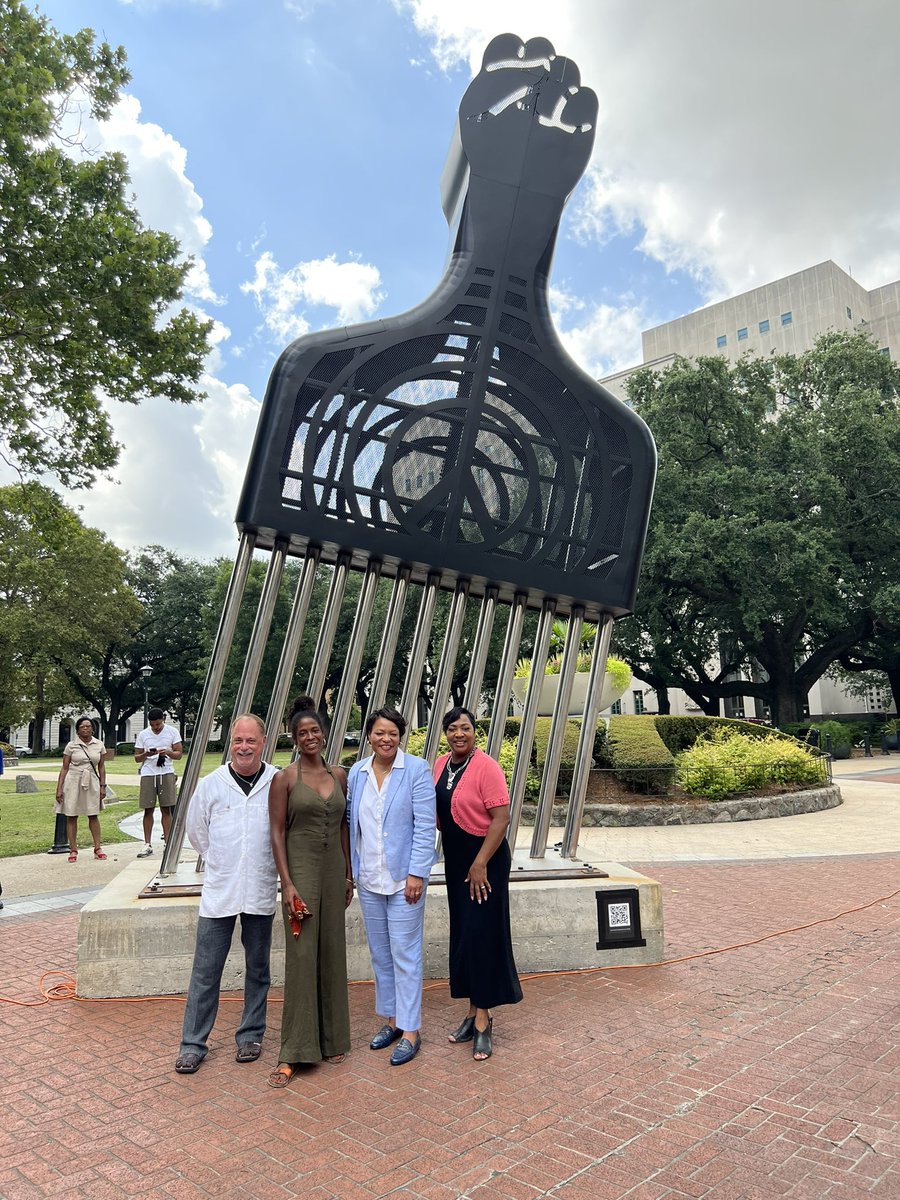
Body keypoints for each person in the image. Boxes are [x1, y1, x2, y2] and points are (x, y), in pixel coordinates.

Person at [175, 714, 279, 1075]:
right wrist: (222, 860)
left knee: (258, 968)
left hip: (260, 890)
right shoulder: (212, 784)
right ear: (229, 743)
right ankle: (192, 1044)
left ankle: (250, 1034)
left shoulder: (276, 781)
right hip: (220, 891)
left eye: (251, 740)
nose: (244, 747)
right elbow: (197, 833)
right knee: (206, 971)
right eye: (238, 740)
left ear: (263, 742)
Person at [266, 696, 353, 1088]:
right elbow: (276, 833)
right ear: (295, 738)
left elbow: (343, 829)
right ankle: (294, 1050)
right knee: (302, 956)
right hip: (300, 873)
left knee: (332, 950)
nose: (310, 737)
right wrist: (287, 883)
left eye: (315, 730)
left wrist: (349, 875)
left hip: (334, 873)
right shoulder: (284, 779)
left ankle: (333, 1037)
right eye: (302, 733)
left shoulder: (340, 775)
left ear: (324, 733)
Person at [347, 707, 437, 1066]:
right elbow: (354, 827)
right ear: (369, 735)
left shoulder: (415, 770)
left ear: (401, 737)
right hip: (370, 880)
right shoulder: (357, 773)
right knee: (381, 956)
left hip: (404, 882)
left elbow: (424, 826)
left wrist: (417, 873)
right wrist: (351, 873)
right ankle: (393, 1021)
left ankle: (412, 1030)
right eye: (379, 733)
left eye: (393, 734)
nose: (386, 739)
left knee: (405, 955)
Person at [433, 706, 522, 1061]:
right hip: (457, 859)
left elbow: (501, 818)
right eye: (453, 728)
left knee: (484, 935)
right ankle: (472, 1011)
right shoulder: (441, 765)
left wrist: (481, 863)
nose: (459, 734)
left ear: (474, 732)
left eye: (465, 728)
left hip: (485, 858)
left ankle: (484, 1021)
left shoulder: (487, 767)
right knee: (466, 936)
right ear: (446, 733)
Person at [55, 717, 108, 862]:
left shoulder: (99, 744)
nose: (85, 729)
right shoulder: (71, 746)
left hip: (91, 781)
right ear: (78, 729)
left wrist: (103, 786)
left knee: (93, 814)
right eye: (82, 726)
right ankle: (73, 850)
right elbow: (64, 768)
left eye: (88, 726)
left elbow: (101, 767)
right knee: (71, 815)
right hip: (73, 781)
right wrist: (59, 788)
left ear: (93, 728)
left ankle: (98, 848)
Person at [134, 707, 183, 858]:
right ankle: (147, 843)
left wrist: (167, 752)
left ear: (163, 720)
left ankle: (167, 843)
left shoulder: (172, 732)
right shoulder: (143, 734)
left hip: (166, 772)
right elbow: (137, 758)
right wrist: (147, 754)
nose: (156, 728)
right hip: (149, 772)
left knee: (166, 809)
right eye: (153, 725)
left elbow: (179, 754)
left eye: (158, 725)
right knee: (147, 809)